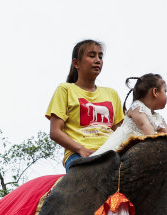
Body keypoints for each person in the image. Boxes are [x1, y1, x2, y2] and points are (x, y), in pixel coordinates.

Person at [45, 39, 124, 171]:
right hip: (78, 156)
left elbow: (121, 131)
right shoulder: (65, 89)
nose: (97, 60)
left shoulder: (112, 94)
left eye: (100, 56)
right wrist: (81, 149)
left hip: (112, 154)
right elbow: (55, 132)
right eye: (92, 56)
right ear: (76, 63)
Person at [92, 74, 167, 155]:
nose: (166, 95)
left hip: (136, 148)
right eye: (165, 91)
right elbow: (147, 128)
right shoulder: (137, 107)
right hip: (121, 147)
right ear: (155, 92)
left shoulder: (157, 117)